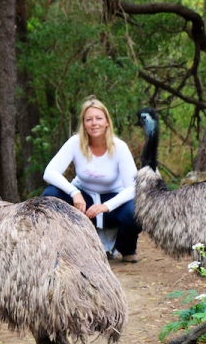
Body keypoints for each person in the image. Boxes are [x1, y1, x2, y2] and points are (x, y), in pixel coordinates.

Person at [42, 97, 142, 263]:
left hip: (112, 203)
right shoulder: (75, 143)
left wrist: (106, 206)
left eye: (98, 118)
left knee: (135, 210)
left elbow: (133, 188)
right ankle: (62, 248)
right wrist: (74, 192)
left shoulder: (119, 147)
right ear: (84, 124)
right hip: (83, 202)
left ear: (107, 122)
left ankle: (126, 248)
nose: (94, 123)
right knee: (51, 194)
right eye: (89, 119)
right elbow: (49, 172)